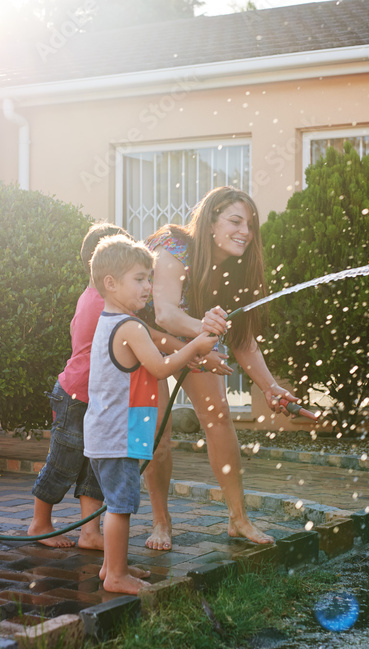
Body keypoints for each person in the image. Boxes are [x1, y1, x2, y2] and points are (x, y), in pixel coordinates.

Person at [142, 186, 298, 550]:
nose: (245, 230)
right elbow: (165, 312)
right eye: (235, 221)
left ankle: (238, 519)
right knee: (156, 438)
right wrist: (203, 335)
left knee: (219, 418)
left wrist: (269, 386)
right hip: (144, 340)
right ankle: (161, 522)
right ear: (211, 220)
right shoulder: (175, 246)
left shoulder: (238, 270)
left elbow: (242, 339)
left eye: (250, 224)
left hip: (191, 342)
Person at [84, 235, 218, 594]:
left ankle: (112, 568)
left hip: (108, 433)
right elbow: (160, 369)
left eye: (150, 279)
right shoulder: (130, 327)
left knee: (118, 503)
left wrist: (184, 355)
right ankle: (116, 576)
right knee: (120, 507)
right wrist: (196, 345)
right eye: (140, 279)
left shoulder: (110, 321)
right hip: (118, 436)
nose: (148, 287)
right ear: (111, 284)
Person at [27, 222, 128, 549]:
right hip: (76, 395)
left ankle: (90, 532)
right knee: (64, 462)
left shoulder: (97, 298)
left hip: (96, 397)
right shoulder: (101, 303)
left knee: (93, 466)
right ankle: (39, 523)